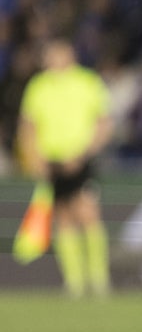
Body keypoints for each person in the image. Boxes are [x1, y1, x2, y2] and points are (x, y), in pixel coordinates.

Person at [17, 39, 113, 298]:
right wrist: (33, 159)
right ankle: (75, 282)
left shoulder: (87, 82)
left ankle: (99, 279)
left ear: (71, 55)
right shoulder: (38, 86)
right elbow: (28, 127)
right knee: (63, 217)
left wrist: (84, 153)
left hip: (81, 159)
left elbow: (103, 123)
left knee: (88, 212)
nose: (54, 60)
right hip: (52, 160)